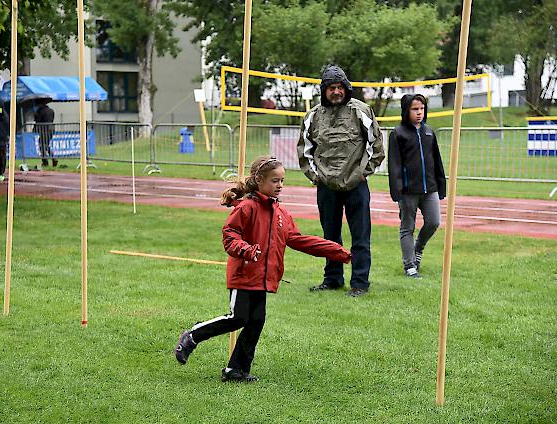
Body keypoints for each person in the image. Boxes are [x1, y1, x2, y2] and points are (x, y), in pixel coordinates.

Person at [174, 156, 351, 382]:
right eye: (274, 180)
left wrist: (336, 251)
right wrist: (245, 249)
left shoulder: (281, 214)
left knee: (256, 322)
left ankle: (235, 370)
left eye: (282, 181)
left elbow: (299, 240)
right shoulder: (246, 207)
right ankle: (192, 336)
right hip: (243, 275)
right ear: (259, 180)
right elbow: (230, 235)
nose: (280, 185)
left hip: (264, 278)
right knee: (237, 318)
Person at [296, 65, 385, 297]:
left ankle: (360, 283)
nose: (336, 92)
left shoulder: (361, 110)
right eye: (331, 88)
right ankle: (333, 278)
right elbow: (305, 149)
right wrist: (316, 177)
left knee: (360, 237)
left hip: (356, 185)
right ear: (324, 90)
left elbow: (376, 146)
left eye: (340, 87)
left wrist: (364, 173)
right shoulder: (313, 115)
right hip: (326, 187)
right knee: (330, 236)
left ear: (346, 88)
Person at [387, 94, 446, 278]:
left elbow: (437, 160)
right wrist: (397, 190)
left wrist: (441, 185)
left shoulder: (429, 132)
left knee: (434, 222)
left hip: (430, 188)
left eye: (421, 108)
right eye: (415, 109)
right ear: (406, 111)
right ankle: (410, 266)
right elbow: (394, 164)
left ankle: (417, 249)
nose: (419, 112)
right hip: (407, 191)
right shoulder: (398, 134)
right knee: (407, 227)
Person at [34, 100, 57, 167]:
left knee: (42, 145)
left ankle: (45, 161)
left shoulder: (41, 111)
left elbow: (38, 120)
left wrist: (36, 115)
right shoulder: (51, 110)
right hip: (51, 129)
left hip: (44, 129)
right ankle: (53, 157)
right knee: (46, 145)